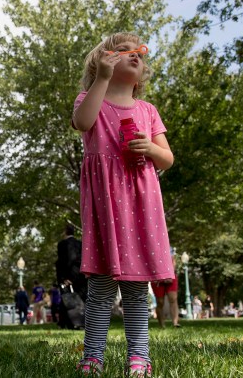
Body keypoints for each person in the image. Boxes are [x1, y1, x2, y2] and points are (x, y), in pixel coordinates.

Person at [71, 33, 175, 377]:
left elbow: (168, 159)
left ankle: (139, 357)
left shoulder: (148, 111)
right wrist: (101, 78)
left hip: (140, 207)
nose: (135, 55)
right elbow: (82, 123)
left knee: (135, 287)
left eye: (139, 53)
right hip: (105, 210)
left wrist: (151, 150)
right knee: (100, 288)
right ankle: (93, 357)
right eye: (123, 51)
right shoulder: (90, 100)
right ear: (102, 61)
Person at [56, 224, 86, 300]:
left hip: (67, 279)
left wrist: (65, 278)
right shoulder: (80, 244)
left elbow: (62, 262)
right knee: (82, 300)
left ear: (65, 231)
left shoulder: (62, 244)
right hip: (81, 277)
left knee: (68, 303)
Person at [153, 250, 180, 329]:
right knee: (160, 302)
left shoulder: (169, 247)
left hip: (170, 275)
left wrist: (170, 273)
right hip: (157, 276)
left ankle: (175, 323)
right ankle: (162, 325)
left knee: (173, 298)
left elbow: (173, 261)